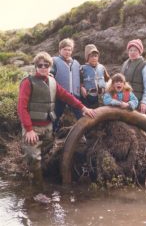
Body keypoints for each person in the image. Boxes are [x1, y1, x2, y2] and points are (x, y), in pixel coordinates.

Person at [17, 51, 95, 185]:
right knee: (34, 159)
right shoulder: (28, 83)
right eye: (40, 65)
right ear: (35, 66)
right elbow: (21, 107)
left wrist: (83, 108)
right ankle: (38, 189)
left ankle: (36, 181)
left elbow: (66, 96)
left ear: (50, 66)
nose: (43, 67)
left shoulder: (53, 82)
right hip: (32, 128)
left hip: (48, 127)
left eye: (46, 65)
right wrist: (29, 129)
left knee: (43, 156)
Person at [51, 38, 81, 132]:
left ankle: (84, 133)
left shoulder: (76, 63)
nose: (67, 52)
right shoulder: (54, 61)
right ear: (60, 50)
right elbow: (50, 73)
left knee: (80, 115)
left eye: (69, 49)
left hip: (74, 95)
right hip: (60, 95)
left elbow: (81, 77)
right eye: (65, 49)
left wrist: (82, 87)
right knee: (56, 115)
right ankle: (51, 134)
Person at [121, 39, 146, 113]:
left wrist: (144, 102)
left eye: (135, 50)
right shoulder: (125, 64)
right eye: (130, 50)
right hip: (123, 101)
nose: (132, 52)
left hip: (137, 102)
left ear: (139, 52)